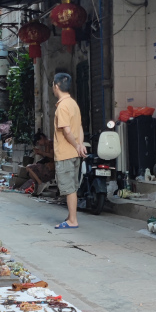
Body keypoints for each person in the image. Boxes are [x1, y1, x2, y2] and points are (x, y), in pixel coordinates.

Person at [52, 71, 86, 229]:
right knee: (72, 186)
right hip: (74, 153)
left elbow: (66, 131)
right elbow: (79, 127)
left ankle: (73, 220)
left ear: (56, 86)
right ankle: (71, 217)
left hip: (66, 152)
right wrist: (81, 144)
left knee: (69, 188)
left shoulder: (62, 107)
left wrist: (76, 145)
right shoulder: (73, 103)